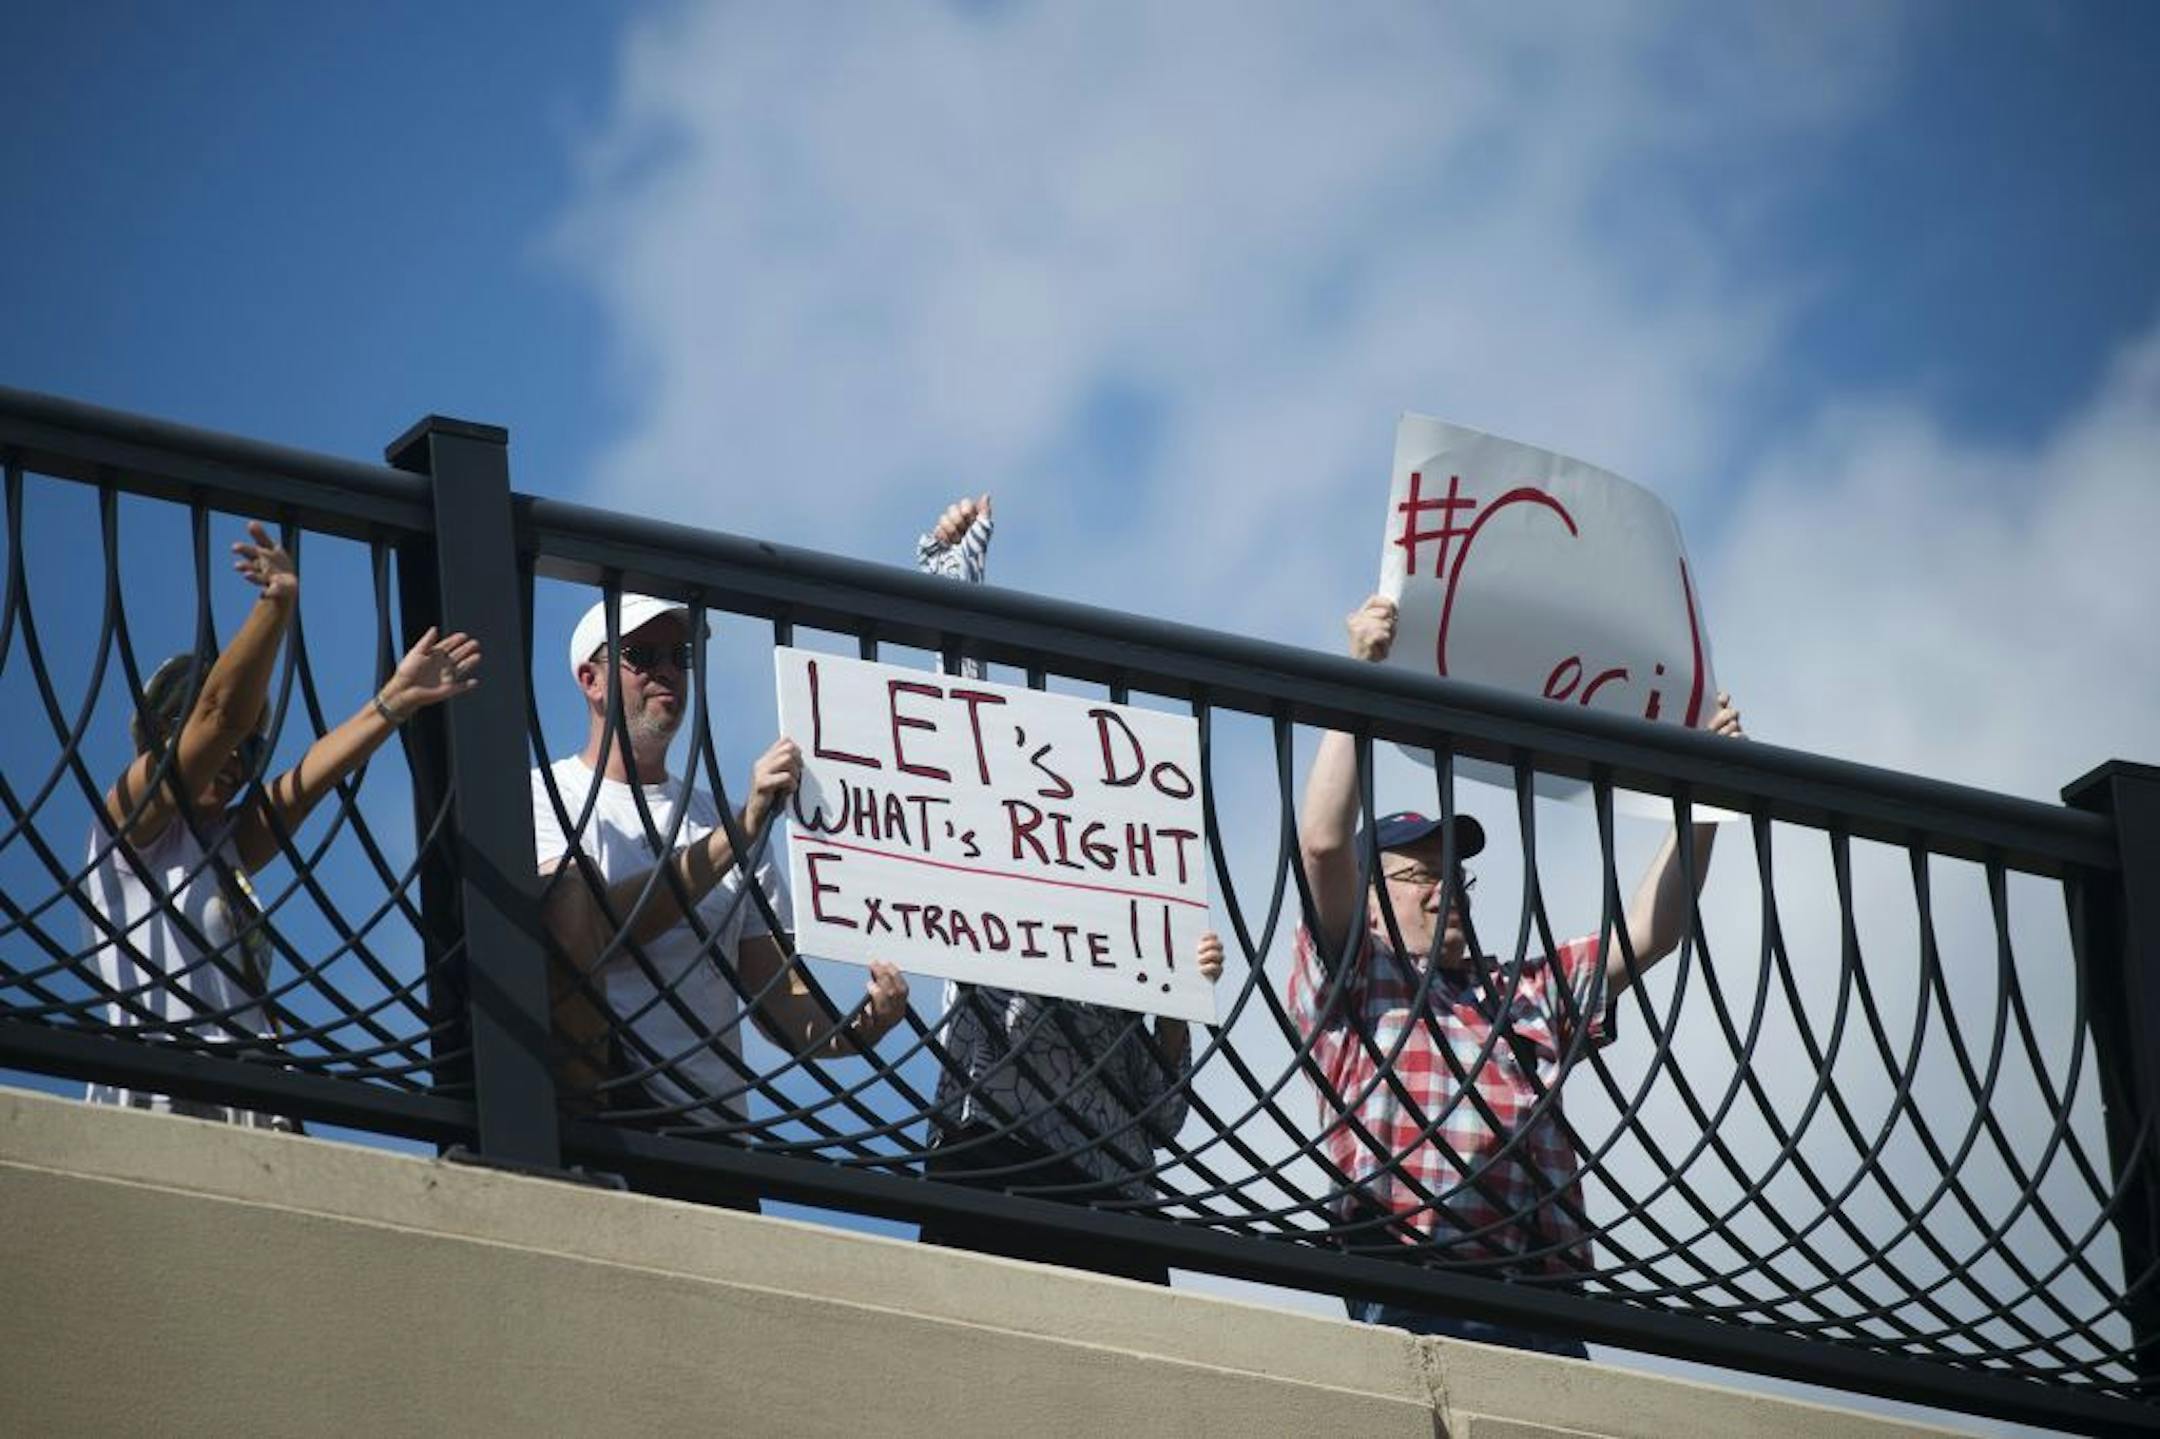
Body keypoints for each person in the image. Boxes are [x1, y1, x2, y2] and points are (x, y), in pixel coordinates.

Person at [1291, 593, 1745, 1356]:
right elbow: (1324, 846)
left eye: (1455, 874)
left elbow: (1650, 930)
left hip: (1544, 1304)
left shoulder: (1517, 993)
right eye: (1415, 874)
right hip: (1414, 1283)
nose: (1446, 888)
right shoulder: (1357, 978)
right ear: (1370, 905)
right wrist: (1357, 677)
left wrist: (1708, 792)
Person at [910, 494, 1225, 1285]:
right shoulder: (986, 869)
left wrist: (1183, 1002)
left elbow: (1163, 1116)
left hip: (1111, 1193)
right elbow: (957, 722)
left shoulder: (1125, 912)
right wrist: (952, 572)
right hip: (990, 1155)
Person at [86, 520, 483, 1127]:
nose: (235, 758)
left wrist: (394, 701)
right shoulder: (126, 827)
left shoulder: (223, 847)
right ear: (159, 736)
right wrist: (277, 604)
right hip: (164, 1093)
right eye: (224, 742)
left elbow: (302, 785)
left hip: (253, 1099)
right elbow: (217, 719)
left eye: (249, 748)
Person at [534, 591, 910, 1145]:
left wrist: (866, 1024)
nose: (667, 672)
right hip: (604, 1122)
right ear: (591, 679)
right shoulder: (547, 793)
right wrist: (740, 832)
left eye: (679, 657)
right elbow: (597, 928)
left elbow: (777, 999)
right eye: (643, 656)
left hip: (716, 1137)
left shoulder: (725, 822)